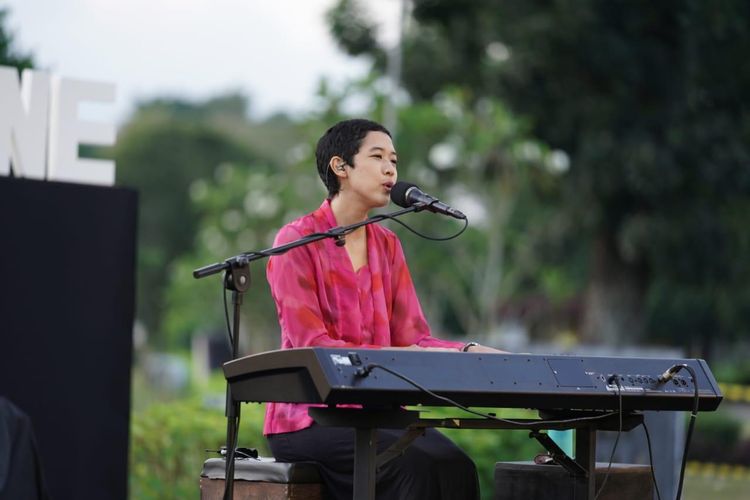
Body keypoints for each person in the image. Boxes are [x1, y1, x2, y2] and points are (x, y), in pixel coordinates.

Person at [264, 118, 499, 499]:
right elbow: (314, 345)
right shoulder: (295, 241)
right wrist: (395, 356)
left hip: (376, 412)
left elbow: (413, 339)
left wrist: (469, 352)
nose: (390, 169)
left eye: (394, 160)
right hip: (308, 417)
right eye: (377, 157)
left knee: (456, 466)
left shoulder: (387, 245)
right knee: (415, 468)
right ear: (340, 167)